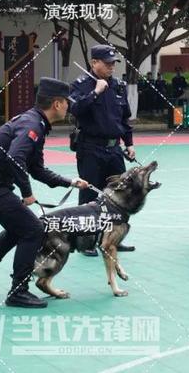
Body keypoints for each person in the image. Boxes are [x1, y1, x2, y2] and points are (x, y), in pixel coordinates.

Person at [0, 78, 87, 308]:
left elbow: (37, 169)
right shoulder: (32, 125)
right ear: (57, 104)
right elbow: (15, 158)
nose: (69, 107)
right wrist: (27, 193)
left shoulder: (36, 123)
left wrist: (70, 182)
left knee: (18, 227)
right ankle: (18, 292)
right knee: (33, 229)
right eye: (67, 103)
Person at [70, 45, 137, 256]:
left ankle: (113, 239)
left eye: (113, 64)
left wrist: (129, 143)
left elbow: (124, 118)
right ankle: (86, 242)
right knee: (90, 195)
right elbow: (75, 109)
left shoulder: (117, 86)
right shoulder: (81, 85)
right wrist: (95, 92)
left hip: (114, 149)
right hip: (91, 148)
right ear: (94, 63)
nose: (111, 68)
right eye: (107, 63)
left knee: (118, 195)